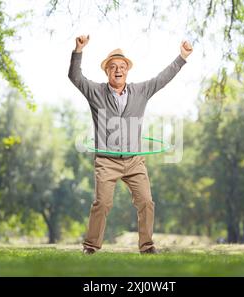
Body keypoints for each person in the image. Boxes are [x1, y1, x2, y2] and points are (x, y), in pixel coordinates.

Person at [68, 34, 193, 254]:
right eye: (113, 67)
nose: (118, 70)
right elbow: (75, 76)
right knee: (103, 203)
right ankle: (91, 246)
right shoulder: (95, 92)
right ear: (106, 71)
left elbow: (162, 78)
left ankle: (147, 246)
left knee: (146, 201)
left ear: (127, 70)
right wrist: (78, 51)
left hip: (134, 161)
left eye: (122, 66)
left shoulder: (140, 91)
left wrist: (182, 57)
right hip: (107, 161)